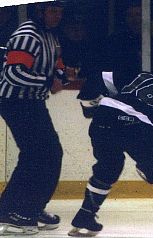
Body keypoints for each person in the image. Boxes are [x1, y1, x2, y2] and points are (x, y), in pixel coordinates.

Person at [68, 65, 153, 238]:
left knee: (109, 166)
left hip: (103, 117)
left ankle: (85, 216)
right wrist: (150, 168)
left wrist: (88, 108)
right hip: (135, 124)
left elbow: (97, 78)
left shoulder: (141, 77)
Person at [0, 1, 74, 235]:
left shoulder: (50, 36)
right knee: (38, 155)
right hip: (16, 102)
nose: (58, 16)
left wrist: (62, 74)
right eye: (53, 11)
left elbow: (57, 63)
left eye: (60, 12)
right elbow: (13, 74)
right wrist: (47, 81)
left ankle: (29, 207)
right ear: (40, 12)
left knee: (49, 154)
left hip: (31, 101)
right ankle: (16, 211)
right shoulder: (27, 34)